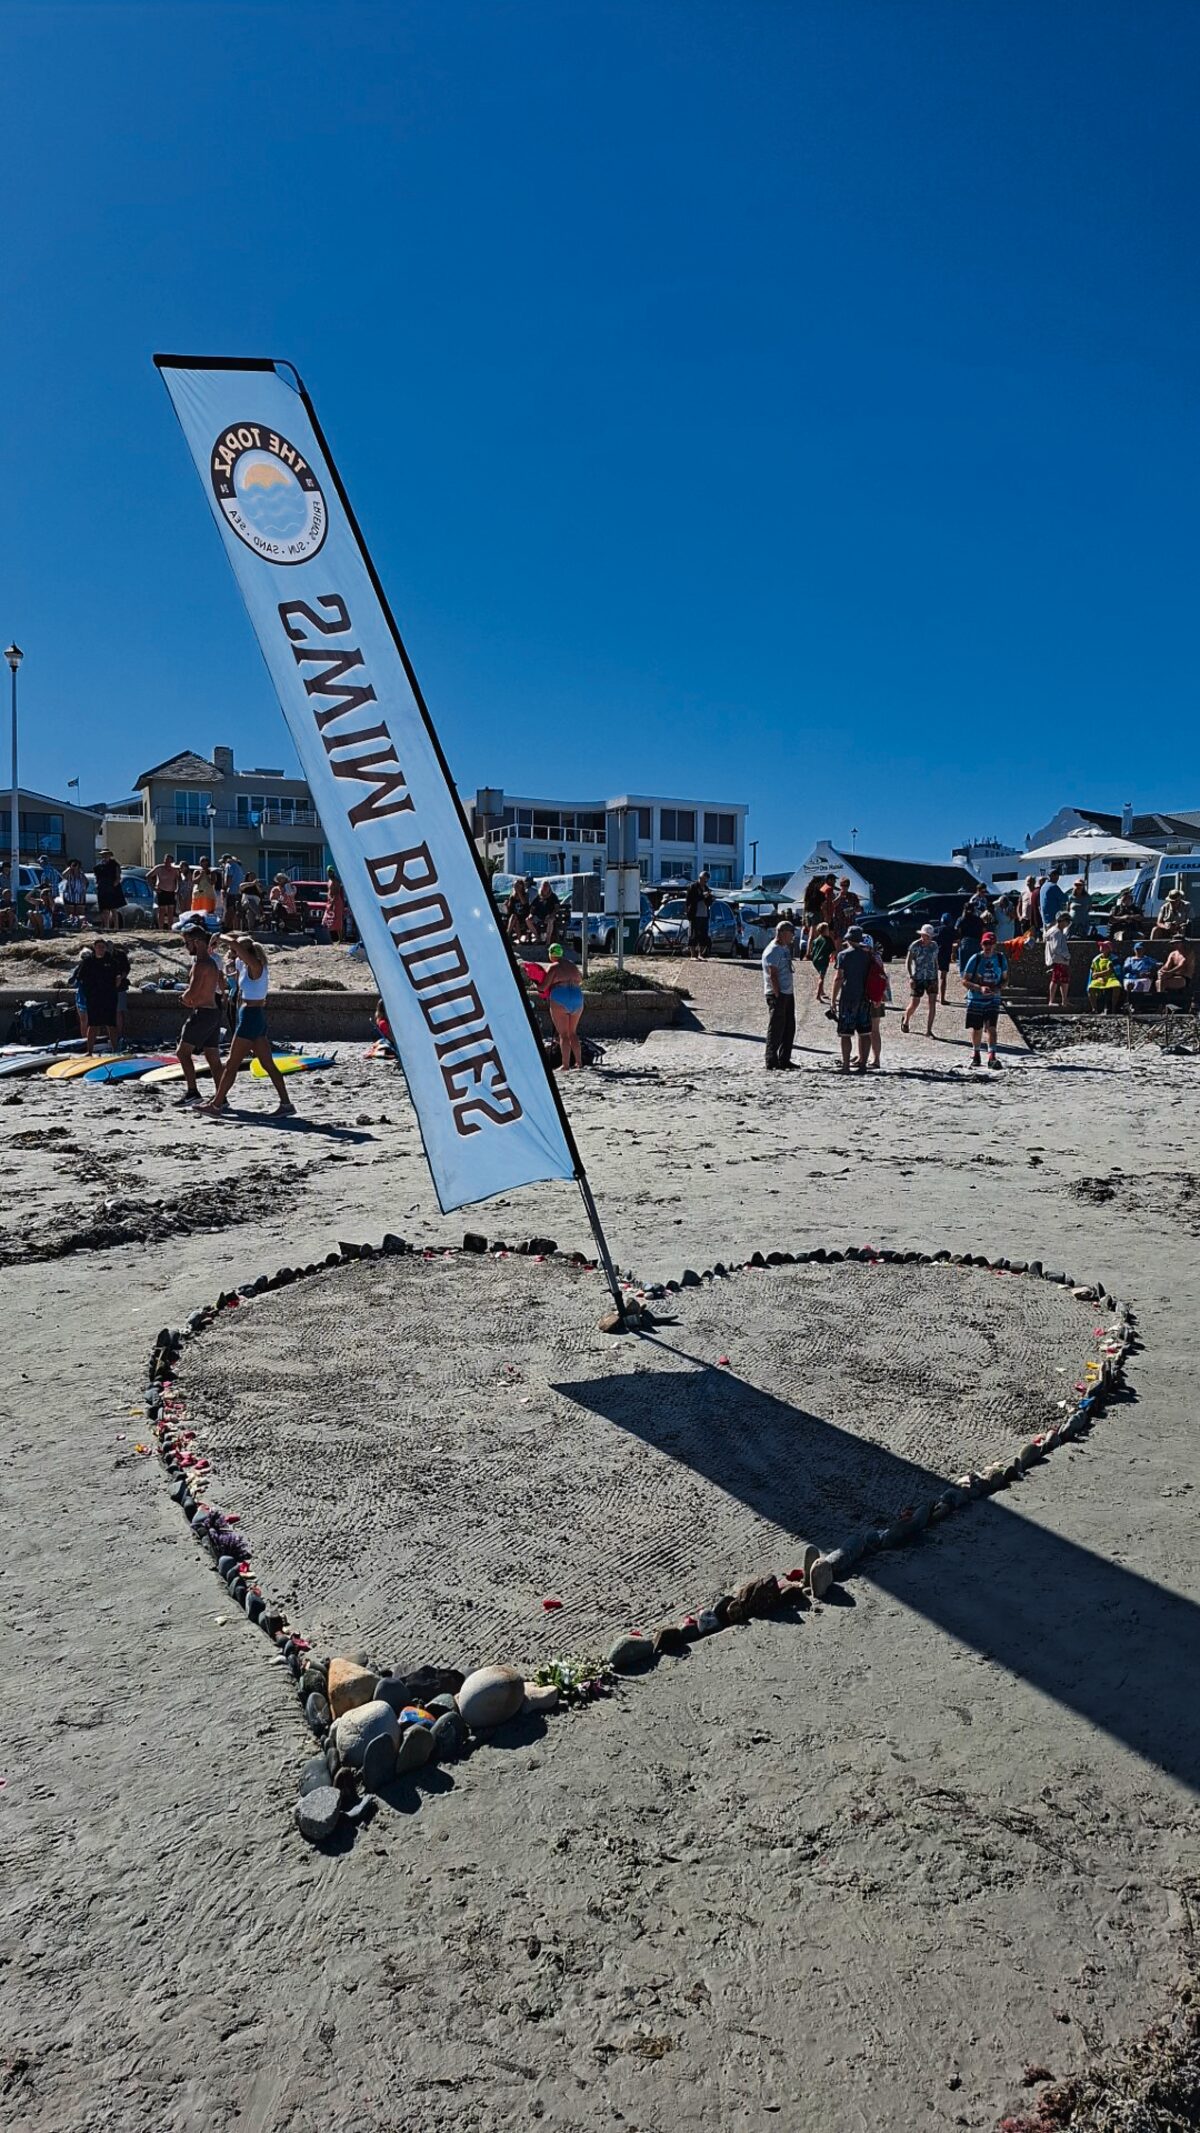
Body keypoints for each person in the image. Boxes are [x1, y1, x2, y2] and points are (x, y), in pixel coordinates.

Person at [202, 935, 295, 1116]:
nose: (231, 954)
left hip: (251, 1016)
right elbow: (229, 966)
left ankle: (216, 1105)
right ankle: (286, 1104)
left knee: (231, 1063)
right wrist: (213, 951)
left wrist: (219, 935)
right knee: (268, 1064)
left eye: (234, 952)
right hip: (251, 1015)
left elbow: (235, 944)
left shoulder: (256, 966)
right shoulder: (243, 965)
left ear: (244, 952)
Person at [175, 922, 226, 1103]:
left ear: (196, 942)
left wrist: (183, 998)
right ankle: (222, 1096)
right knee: (212, 1056)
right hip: (213, 1012)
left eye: (187, 943)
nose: (186, 947)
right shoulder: (212, 962)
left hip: (203, 1013)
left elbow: (193, 992)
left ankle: (192, 1092)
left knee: (182, 1053)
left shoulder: (201, 964)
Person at [962, 928, 1007, 1069]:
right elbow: (965, 980)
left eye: (990, 944)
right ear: (982, 945)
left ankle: (992, 1056)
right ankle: (976, 1054)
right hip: (976, 999)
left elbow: (1005, 979)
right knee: (977, 1028)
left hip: (993, 999)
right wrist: (979, 988)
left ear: (995, 945)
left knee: (991, 1027)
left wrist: (999, 987)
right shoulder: (975, 959)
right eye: (985, 944)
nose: (987, 947)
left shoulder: (1000, 958)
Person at [831, 923, 873, 1074]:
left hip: (848, 996)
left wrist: (833, 999)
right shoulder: (868, 955)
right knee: (864, 1032)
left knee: (845, 1034)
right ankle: (863, 1065)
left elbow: (839, 978)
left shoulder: (843, 955)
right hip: (864, 997)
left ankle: (846, 1066)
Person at [69, 937, 122, 1053]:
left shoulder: (112, 961)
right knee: (93, 1025)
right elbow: (80, 978)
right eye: (98, 947)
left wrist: (117, 981)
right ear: (95, 948)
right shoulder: (88, 962)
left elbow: (118, 975)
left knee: (111, 1024)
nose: (101, 949)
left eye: (103, 947)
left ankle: (115, 1050)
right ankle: (89, 1051)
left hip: (109, 997)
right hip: (94, 998)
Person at [544, 940, 586, 1068]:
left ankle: (565, 1065)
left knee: (563, 1034)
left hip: (560, 997)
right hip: (577, 997)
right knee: (573, 1033)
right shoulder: (572, 965)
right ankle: (579, 1062)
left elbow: (543, 986)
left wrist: (536, 982)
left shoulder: (554, 967)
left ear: (551, 954)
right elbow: (580, 979)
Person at [761, 920, 796, 1070]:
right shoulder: (773, 950)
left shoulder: (785, 948)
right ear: (781, 933)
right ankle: (771, 1059)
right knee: (776, 1028)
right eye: (790, 933)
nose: (792, 936)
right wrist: (778, 994)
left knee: (789, 1027)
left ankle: (784, 1059)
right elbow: (772, 975)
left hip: (788, 992)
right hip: (777, 994)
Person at [902, 923, 939, 1035]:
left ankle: (929, 1030)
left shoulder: (934, 946)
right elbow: (908, 962)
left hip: (931, 977)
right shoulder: (915, 945)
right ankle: (906, 1018)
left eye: (929, 936)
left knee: (932, 1003)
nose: (926, 938)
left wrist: (937, 976)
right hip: (918, 977)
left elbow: (935, 961)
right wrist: (911, 976)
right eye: (925, 935)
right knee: (915, 1003)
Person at [864, 934, 888, 1067]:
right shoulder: (877, 957)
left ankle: (875, 1059)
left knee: (870, 1030)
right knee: (872, 1029)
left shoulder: (866, 959)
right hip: (877, 997)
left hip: (871, 997)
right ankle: (866, 1056)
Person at [955, 888, 991, 974]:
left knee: (964, 965)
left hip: (965, 943)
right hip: (977, 943)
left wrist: (958, 942)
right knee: (976, 964)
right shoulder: (979, 920)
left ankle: (965, 980)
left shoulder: (961, 919)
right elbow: (984, 931)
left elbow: (957, 931)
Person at [1158, 933, 1194, 1008]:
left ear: (1182, 943)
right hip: (1172, 975)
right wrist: (1161, 970)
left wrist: (1169, 972)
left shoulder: (1189, 953)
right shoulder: (1172, 954)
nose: (1175, 945)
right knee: (1158, 981)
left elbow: (1181, 965)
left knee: (1162, 982)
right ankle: (1158, 1003)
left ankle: (1160, 1005)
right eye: (1174, 943)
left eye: (1177, 943)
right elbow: (1166, 966)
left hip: (1184, 978)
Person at [93, 848, 125, 932]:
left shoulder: (115, 864)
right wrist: (98, 887)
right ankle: (106, 927)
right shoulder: (98, 867)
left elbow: (118, 877)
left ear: (110, 855)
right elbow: (97, 878)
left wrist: (114, 885)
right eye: (103, 855)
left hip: (113, 889)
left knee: (114, 909)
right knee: (105, 910)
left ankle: (116, 927)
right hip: (103, 890)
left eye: (106, 854)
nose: (105, 856)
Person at [1121, 940, 1159, 1011]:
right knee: (1129, 984)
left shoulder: (1148, 959)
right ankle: (1128, 1003)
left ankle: (1135, 1005)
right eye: (1137, 949)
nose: (1139, 951)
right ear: (1134, 950)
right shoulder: (1129, 959)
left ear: (1144, 950)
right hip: (1131, 977)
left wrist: (1149, 973)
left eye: (1140, 949)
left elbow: (1158, 965)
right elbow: (1126, 968)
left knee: (1139, 984)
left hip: (1143, 978)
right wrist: (1137, 973)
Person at [147, 854, 182, 929]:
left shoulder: (175, 870)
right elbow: (148, 876)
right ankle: (160, 928)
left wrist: (177, 889)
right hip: (161, 891)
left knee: (170, 911)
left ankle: (170, 928)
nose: (167, 862)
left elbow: (178, 880)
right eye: (166, 860)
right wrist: (153, 888)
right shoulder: (159, 868)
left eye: (169, 861)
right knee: (162, 911)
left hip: (171, 892)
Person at [1044, 914, 1071, 1008]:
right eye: (1067, 921)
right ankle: (1052, 1001)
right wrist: (1067, 956)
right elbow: (1056, 948)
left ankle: (1064, 1001)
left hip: (1056, 959)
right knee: (1057, 980)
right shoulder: (1057, 932)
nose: (1068, 924)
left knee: (1062, 980)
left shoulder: (1051, 931)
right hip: (1059, 959)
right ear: (1062, 920)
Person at [684, 871, 713, 959]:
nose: (703, 882)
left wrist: (709, 898)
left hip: (704, 914)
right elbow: (689, 900)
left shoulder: (707, 888)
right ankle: (693, 955)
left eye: (705, 881)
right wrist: (702, 896)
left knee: (703, 935)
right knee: (694, 934)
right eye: (702, 879)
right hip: (695, 914)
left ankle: (701, 954)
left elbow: (708, 903)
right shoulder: (693, 887)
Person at [1087, 945, 1124, 1014]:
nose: (1102, 947)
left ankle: (1113, 1008)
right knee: (1090, 988)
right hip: (1099, 979)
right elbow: (1093, 972)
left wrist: (1099, 974)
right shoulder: (1096, 959)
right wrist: (1098, 977)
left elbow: (1111, 970)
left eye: (1104, 946)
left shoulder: (1114, 958)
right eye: (1101, 946)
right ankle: (1094, 1009)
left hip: (1111, 978)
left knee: (1117, 986)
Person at [808, 919, 835, 1001]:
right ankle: (818, 995)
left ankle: (822, 992)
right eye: (827, 929)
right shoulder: (828, 939)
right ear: (824, 930)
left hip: (815, 960)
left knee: (820, 975)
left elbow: (813, 949)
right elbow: (833, 950)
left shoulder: (817, 939)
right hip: (823, 960)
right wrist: (833, 956)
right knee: (821, 978)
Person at [530, 879, 562, 945]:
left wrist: (551, 915)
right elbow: (533, 907)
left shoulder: (553, 896)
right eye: (544, 886)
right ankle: (537, 937)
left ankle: (548, 941)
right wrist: (531, 914)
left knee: (550, 921)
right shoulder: (538, 896)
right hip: (539, 916)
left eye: (546, 886)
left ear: (549, 887)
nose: (545, 888)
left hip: (549, 915)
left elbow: (557, 907)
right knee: (528, 920)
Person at [60, 857, 89, 930]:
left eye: (77, 865)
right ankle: (71, 926)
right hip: (69, 897)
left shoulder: (81, 874)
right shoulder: (69, 875)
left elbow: (86, 882)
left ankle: (80, 927)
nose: (76, 866)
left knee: (80, 914)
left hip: (80, 898)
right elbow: (63, 875)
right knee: (70, 914)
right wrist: (70, 868)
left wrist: (79, 871)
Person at [935, 911, 956, 1005]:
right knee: (943, 977)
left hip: (936, 953)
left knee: (934, 976)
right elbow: (955, 943)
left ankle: (934, 996)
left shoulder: (937, 929)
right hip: (946, 953)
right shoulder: (951, 931)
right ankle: (942, 998)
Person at [189, 859, 219, 923]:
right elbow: (194, 881)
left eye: (205, 863)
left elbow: (213, 882)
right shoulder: (196, 871)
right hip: (198, 894)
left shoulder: (212, 872)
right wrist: (201, 875)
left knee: (208, 912)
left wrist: (207, 875)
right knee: (196, 912)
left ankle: (208, 924)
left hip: (208, 895)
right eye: (202, 862)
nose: (204, 864)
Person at [321, 867, 346, 942]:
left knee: (338, 920)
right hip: (330, 902)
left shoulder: (336, 881)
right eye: (328, 871)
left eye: (331, 871)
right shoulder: (329, 881)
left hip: (336, 902)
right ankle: (329, 938)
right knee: (326, 919)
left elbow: (337, 893)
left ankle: (341, 938)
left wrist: (333, 902)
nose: (329, 873)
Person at [222, 854, 246, 928]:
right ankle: (233, 927)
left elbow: (228, 878)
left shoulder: (229, 865)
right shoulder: (238, 866)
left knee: (229, 909)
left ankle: (226, 927)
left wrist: (225, 889)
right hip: (239, 892)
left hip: (232, 891)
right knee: (235, 911)